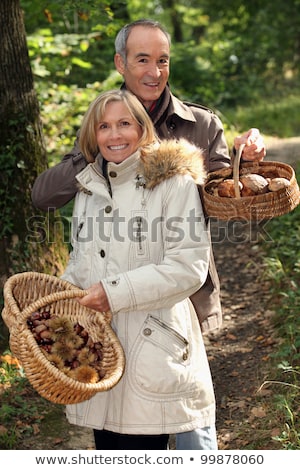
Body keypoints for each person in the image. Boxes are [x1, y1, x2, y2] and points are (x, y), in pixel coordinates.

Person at [31, 19, 266, 449]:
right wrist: (93, 154)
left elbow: (225, 197)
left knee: (187, 419)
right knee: (125, 426)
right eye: (143, 60)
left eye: (163, 60)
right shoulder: (101, 138)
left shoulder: (198, 124)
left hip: (179, 297)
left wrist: (243, 160)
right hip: (113, 309)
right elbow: (58, 213)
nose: (154, 71)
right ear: (121, 63)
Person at [59, 88, 215, 450]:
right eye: (104, 126)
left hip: (153, 350)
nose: (115, 135)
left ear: (142, 128)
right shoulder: (88, 190)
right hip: (99, 355)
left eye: (124, 124)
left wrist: (113, 292)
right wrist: (55, 302)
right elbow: (79, 263)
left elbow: (188, 266)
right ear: (92, 135)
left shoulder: (173, 183)